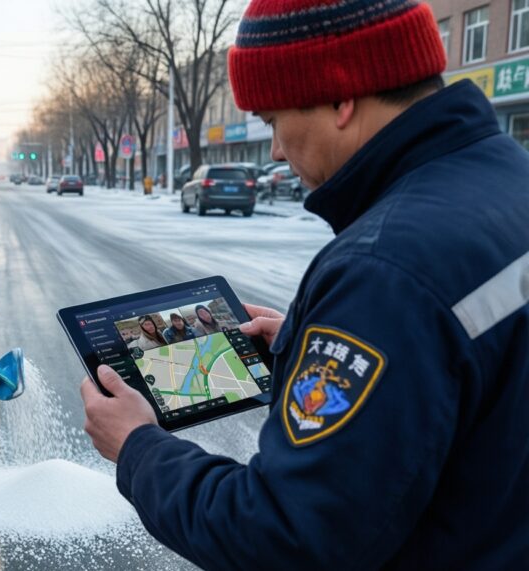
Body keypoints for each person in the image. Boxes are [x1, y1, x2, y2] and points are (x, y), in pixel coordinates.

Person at [80, 0, 529, 567]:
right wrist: (309, 343)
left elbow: (284, 535)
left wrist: (138, 449)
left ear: (341, 97)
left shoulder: (383, 271)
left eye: (273, 121)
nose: (273, 149)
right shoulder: (510, 180)